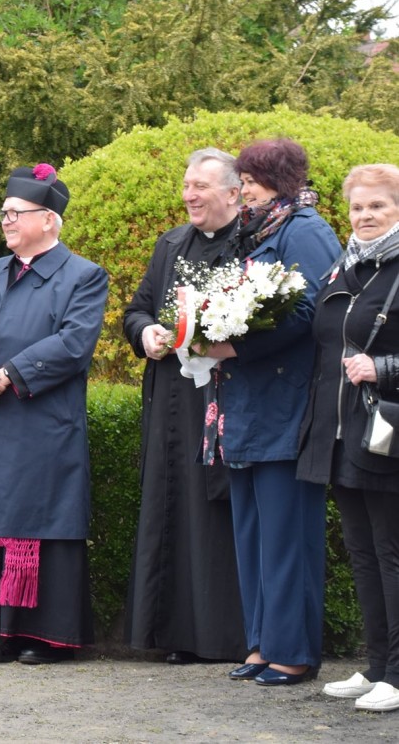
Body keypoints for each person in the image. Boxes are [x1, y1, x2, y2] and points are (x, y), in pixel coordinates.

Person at [0, 164, 108, 665]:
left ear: (49, 220)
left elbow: (74, 344)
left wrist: (7, 373)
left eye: (15, 213)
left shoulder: (83, 275)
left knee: (39, 523)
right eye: (4, 213)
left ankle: (43, 635)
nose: (6, 220)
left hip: (40, 426)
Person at [203, 138, 339, 686]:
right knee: (253, 532)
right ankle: (262, 643)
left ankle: (293, 651)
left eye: (252, 178)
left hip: (287, 404)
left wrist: (235, 346)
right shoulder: (258, 232)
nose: (244, 187)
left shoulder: (305, 229)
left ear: (278, 179)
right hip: (247, 404)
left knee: (287, 533)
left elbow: (310, 310)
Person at [122, 149, 246, 664]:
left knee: (210, 513)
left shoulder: (252, 245)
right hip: (169, 399)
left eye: (201, 186)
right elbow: (138, 308)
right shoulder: (170, 243)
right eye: (187, 185)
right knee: (168, 506)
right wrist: (146, 332)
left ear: (234, 194)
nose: (190, 195)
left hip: (222, 400)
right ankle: (170, 634)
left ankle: (217, 638)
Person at [299, 163, 399, 709]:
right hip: (341, 429)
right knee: (361, 552)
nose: (364, 216)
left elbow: (376, 354)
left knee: (391, 552)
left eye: (378, 206)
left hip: (386, 430)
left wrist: (382, 367)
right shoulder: (344, 267)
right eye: (358, 206)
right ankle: (378, 665)